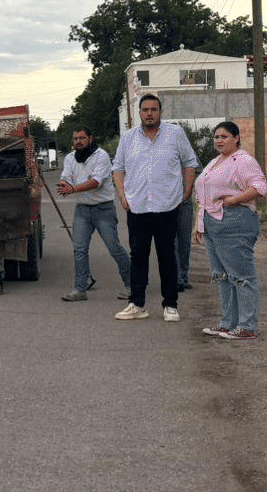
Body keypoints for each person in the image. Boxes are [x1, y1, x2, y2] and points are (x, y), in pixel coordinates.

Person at [111, 93, 198, 321]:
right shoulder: (128, 138)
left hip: (167, 206)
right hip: (138, 206)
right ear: (139, 113)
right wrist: (122, 195)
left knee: (167, 256)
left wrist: (187, 190)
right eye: (145, 110)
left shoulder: (175, 134)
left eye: (154, 109)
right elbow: (118, 168)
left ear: (160, 112)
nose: (149, 113)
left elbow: (190, 162)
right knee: (138, 256)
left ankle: (170, 305)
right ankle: (137, 304)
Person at [196, 120, 267, 341]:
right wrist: (198, 225)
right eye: (216, 137)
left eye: (224, 136)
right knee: (224, 276)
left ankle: (246, 327)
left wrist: (232, 200)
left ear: (236, 138)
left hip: (235, 221)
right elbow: (203, 195)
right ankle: (228, 323)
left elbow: (260, 187)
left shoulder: (243, 160)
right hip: (213, 223)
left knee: (242, 276)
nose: (219, 140)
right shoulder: (215, 162)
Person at [57, 125, 132, 302]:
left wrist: (72, 189)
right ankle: (79, 289)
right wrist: (62, 184)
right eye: (75, 139)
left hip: (103, 209)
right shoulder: (70, 158)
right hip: (82, 210)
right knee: (79, 250)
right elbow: (66, 176)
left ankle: (131, 285)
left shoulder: (102, 156)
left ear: (90, 139)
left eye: (82, 138)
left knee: (114, 248)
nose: (78, 142)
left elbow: (96, 182)